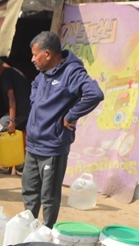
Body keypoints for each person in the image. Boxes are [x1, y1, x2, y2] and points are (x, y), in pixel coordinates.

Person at [24, 31, 104, 227]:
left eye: (35, 55)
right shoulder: (42, 74)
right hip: (33, 145)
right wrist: (36, 103)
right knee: (29, 191)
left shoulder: (72, 73)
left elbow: (94, 94)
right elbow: (34, 86)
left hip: (52, 146)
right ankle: (28, 228)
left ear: (48, 54)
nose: (32, 59)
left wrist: (70, 115)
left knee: (49, 196)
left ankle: (45, 232)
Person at [0, 57, 32, 134]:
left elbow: (11, 98)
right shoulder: (16, 72)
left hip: (20, 113)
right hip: (29, 111)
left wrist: (12, 121)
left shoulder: (6, 74)